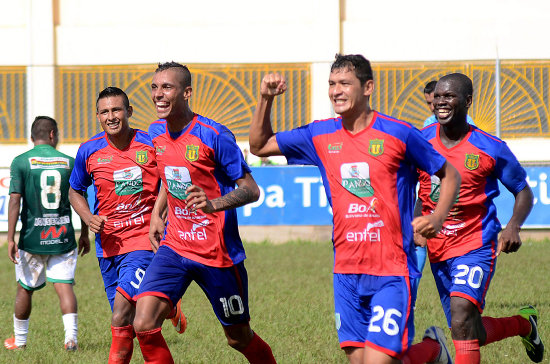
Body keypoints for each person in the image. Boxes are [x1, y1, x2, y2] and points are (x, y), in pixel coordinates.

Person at [249, 54, 461, 364]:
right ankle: (433, 350)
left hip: (391, 269)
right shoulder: (319, 134)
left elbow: (450, 173)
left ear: (367, 88)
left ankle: (433, 350)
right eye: (332, 84)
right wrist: (265, 98)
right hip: (345, 271)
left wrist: (437, 216)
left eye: (345, 83)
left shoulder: (398, 133)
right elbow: (259, 145)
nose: (336, 90)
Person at [132, 62, 276, 364]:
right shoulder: (156, 131)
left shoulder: (214, 135)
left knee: (238, 337)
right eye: (155, 88)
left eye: (166, 87)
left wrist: (214, 204)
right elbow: (169, 176)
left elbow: (252, 189)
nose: (158, 94)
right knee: (143, 323)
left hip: (217, 254)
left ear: (187, 93)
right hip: (174, 246)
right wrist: (158, 213)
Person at [415, 73, 544, 364]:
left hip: (476, 243)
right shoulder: (420, 141)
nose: (441, 102)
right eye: (438, 96)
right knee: (469, 331)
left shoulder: (490, 147)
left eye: (449, 96)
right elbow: (412, 188)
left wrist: (513, 226)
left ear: (468, 101)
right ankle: (525, 324)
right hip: (438, 247)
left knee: (461, 316)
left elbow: (523, 191)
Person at [69, 87, 186, 364]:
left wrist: (159, 214)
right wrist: (87, 219)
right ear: (98, 116)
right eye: (105, 112)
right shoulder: (89, 150)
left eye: (117, 110)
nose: (111, 117)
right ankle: (168, 307)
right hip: (108, 247)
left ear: (129, 112)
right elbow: (75, 190)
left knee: (120, 314)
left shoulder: (150, 143)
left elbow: (170, 178)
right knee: (131, 324)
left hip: (144, 241)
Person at [4, 116, 90, 351]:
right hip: (62, 237)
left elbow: (14, 201)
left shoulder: (21, 162)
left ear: (33, 137)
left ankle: (20, 343)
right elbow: (79, 199)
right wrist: (84, 233)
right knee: (64, 287)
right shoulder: (69, 162)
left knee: (25, 288)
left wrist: (10, 238)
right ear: (53, 134)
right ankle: (71, 339)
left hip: (32, 240)